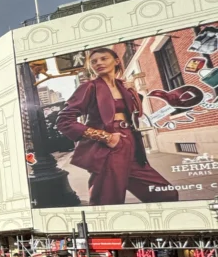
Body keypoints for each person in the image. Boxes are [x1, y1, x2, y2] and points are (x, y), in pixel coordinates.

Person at [55, 47, 180, 206]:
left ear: (116, 61)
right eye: (94, 61)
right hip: (108, 147)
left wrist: (133, 93)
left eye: (103, 58)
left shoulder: (123, 86)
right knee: (107, 202)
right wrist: (106, 137)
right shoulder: (90, 87)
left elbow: (137, 114)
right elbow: (64, 121)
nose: (98, 63)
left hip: (131, 143)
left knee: (165, 194)